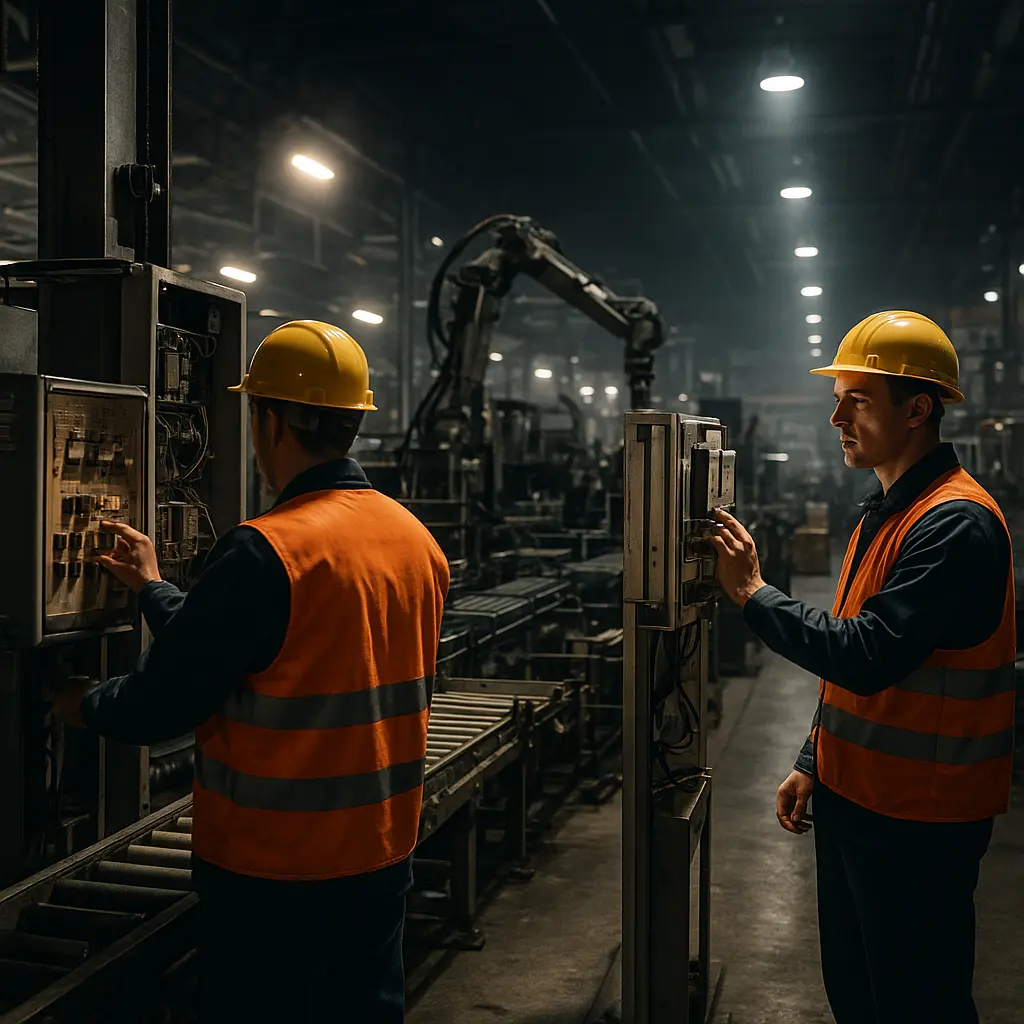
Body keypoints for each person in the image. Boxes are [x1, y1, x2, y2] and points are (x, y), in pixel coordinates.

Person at [54, 320, 450, 1023]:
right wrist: (152, 589)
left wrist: (82, 703)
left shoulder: (267, 552)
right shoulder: (414, 539)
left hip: (275, 873)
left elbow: (162, 703)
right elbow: (275, 655)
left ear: (269, 419)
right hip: (380, 852)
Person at [710, 310, 1015, 1024]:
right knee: (859, 995)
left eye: (857, 399)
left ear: (918, 409)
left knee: (915, 1004)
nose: (835, 416)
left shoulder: (953, 523)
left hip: (920, 818)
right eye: (837, 396)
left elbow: (868, 653)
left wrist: (754, 595)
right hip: (863, 801)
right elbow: (857, 664)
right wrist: (817, 757)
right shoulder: (887, 512)